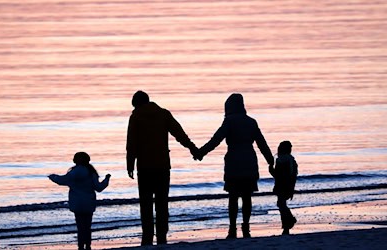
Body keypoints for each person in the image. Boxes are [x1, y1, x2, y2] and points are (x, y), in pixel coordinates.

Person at [126, 90, 200, 245]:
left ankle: (147, 233)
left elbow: (131, 142)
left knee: (146, 203)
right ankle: (161, 233)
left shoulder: (136, 116)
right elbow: (179, 134)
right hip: (162, 166)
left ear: (137, 104)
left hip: (145, 166)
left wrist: (130, 164)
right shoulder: (163, 114)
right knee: (162, 202)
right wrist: (192, 148)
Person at [198, 93, 274, 239]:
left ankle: (232, 228)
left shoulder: (229, 121)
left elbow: (216, 139)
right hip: (249, 161)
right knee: (247, 196)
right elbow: (261, 143)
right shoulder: (251, 122)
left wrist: (201, 152)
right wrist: (270, 160)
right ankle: (246, 225)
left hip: (233, 162)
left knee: (233, 197)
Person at [48, 152, 111, 250]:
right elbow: (99, 188)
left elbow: (61, 180)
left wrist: (52, 176)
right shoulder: (91, 172)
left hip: (77, 203)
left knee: (80, 227)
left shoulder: (73, 173)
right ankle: (88, 246)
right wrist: (106, 179)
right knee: (87, 226)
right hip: (89, 202)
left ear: (75, 160)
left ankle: (81, 246)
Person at [269, 141, 298, 235]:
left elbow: (278, 175)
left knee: (281, 204)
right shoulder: (291, 160)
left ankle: (289, 222)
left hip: (283, 185)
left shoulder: (282, 161)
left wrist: (271, 171)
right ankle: (287, 225)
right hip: (286, 185)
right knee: (281, 204)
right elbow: (292, 176)